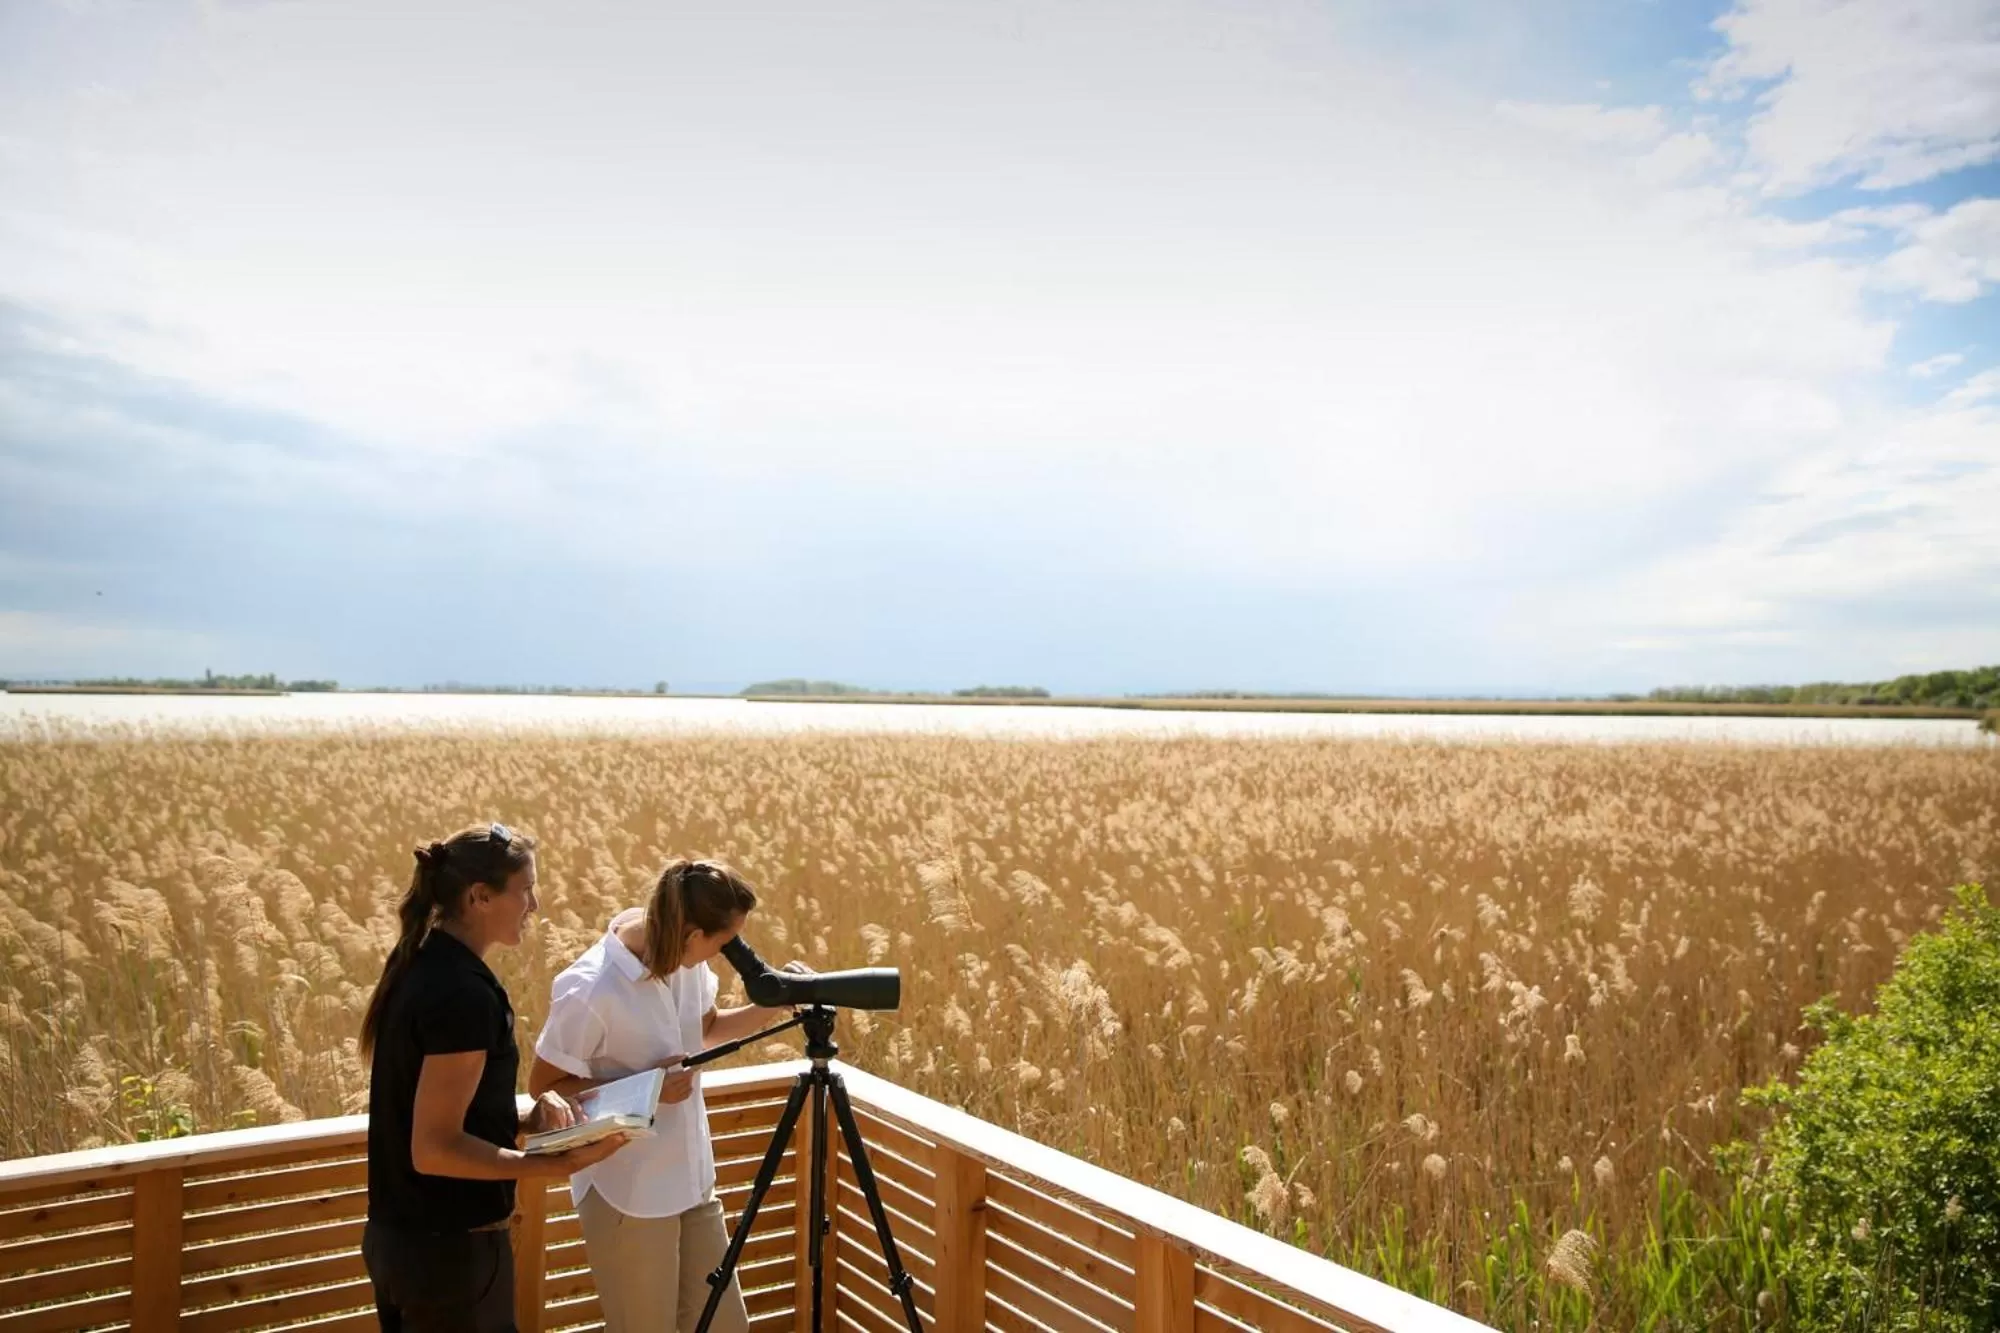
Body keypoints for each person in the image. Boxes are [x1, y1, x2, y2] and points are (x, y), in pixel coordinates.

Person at [359, 822, 634, 1333]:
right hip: (450, 1255)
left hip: (404, 1243)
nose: (535, 905)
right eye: (525, 890)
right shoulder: (462, 994)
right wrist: (553, 1164)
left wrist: (529, 1118)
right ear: (480, 897)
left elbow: (444, 1115)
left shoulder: (422, 966)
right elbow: (435, 1147)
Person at [528, 857, 810, 1333]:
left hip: (692, 1183)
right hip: (628, 1194)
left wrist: (778, 1000)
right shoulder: (592, 989)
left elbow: (705, 1027)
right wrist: (645, 1087)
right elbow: (544, 1088)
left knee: (725, 1327)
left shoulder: (684, 963)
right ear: (692, 933)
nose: (726, 953)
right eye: (723, 942)